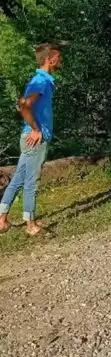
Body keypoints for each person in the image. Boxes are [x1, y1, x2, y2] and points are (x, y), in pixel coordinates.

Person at [0, 44, 61, 236]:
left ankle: (1, 219)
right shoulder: (40, 81)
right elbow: (25, 105)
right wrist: (36, 129)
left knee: (19, 178)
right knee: (31, 181)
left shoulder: (40, 80)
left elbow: (22, 105)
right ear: (49, 59)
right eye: (58, 57)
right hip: (35, 139)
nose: (60, 60)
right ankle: (30, 224)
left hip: (29, 137)